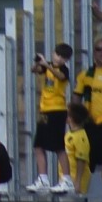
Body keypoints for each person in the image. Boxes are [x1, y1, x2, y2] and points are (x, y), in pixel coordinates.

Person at [32, 44, 74, 192]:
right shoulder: (47, 66)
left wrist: (47, 66)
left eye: (63, 57)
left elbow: (60, 76)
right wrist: (38, 62)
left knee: (58, 147)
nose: (59, 58)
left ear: (67, 59)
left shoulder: (63, 69)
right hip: (45, 110)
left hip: (57, 111)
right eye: (57, 55)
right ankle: (43, 179)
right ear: (53, 53)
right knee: (38, 145)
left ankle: (67, 180)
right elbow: (34, 70)